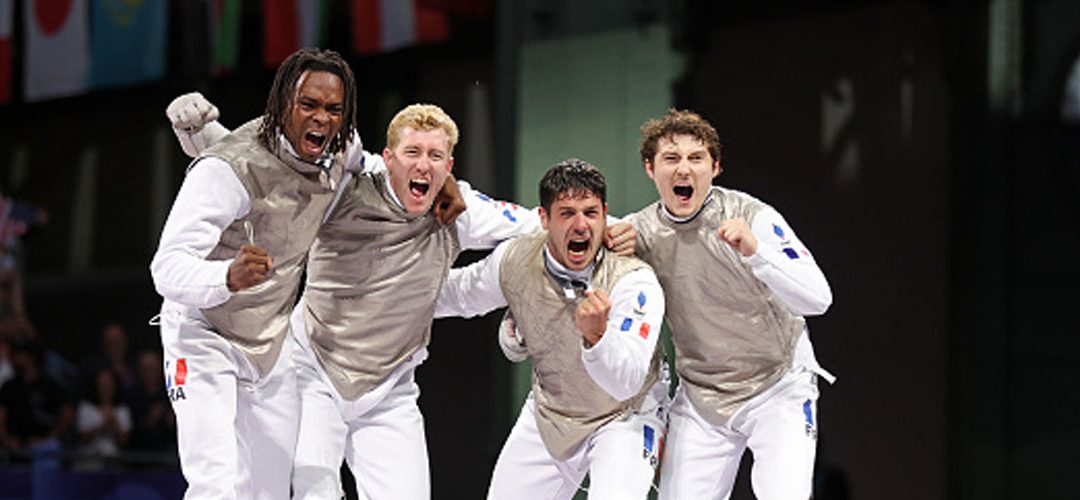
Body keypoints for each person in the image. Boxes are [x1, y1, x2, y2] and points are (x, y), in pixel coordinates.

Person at [149, 48, 359, 500]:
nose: (322, 119)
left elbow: (386, 171)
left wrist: (447, 190)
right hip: (203, 333)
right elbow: (165, 268)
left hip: (269, 341)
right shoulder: (227, 169)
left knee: (266, 490)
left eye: (333, 109)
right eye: (309, 105)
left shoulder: (342, 154)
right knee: (215, 484)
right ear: (283, 104)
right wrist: (226, 276)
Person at [625, 109, 833, 500]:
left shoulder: (752, 216)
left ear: (715, 167)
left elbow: (818, 298)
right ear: (650, 169)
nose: (683, 169)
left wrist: (756, 252)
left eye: (696, 158)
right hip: (702, 395)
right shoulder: (638, 232)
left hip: (778, 384)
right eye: (671, 159)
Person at [436, 159, 668, 499]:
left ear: (605, 215)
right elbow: (455, 295)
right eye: (567, 213)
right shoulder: (516, 260)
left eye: (590, 213)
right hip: (553, 408)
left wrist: (597, 337)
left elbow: (627, 381)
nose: (580, 225)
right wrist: (372, 290)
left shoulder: (633, 280)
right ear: (544, 219)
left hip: (626, 415)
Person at [75, 368, 131, 460]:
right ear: (95, 385)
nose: (105, 387)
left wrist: (115, 425)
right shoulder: (86, 408)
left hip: (113, 461)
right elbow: (84, 438)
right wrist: (101, 428)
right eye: (102, 384)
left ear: (114, 385)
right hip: (88, 461)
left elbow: (124, 441)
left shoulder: (122, 410)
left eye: (108, 384)